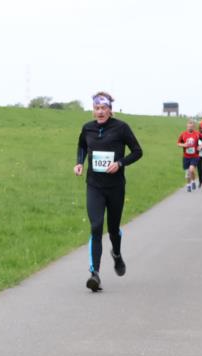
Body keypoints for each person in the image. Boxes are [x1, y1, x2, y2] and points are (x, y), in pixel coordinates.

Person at [74, 92, 143, 292]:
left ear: (110, 110)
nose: (100, 111)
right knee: (96, 226)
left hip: (115, 187)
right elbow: (81, 145)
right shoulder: (88, 128)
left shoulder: (121, 128)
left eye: (104, 108)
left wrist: (120, 163)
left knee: (113, 229)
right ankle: (94, 274)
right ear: (93, 110)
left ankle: (117, 254)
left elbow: (137, 151)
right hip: (94, 185)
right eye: (97, 108)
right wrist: (79, 163)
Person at [177, 119, 202, 192]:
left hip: (195, 156)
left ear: (194, 127)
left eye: (192, 126)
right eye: (189, 126)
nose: (190, 128)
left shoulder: (197, 134)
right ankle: (188, 185)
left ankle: (193, 181)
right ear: (187, 126)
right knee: (187, 172)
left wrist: (201, 146)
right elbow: (178, 143)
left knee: (191, 170)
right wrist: (184, 145)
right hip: (186, 156)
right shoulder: (183, 134)